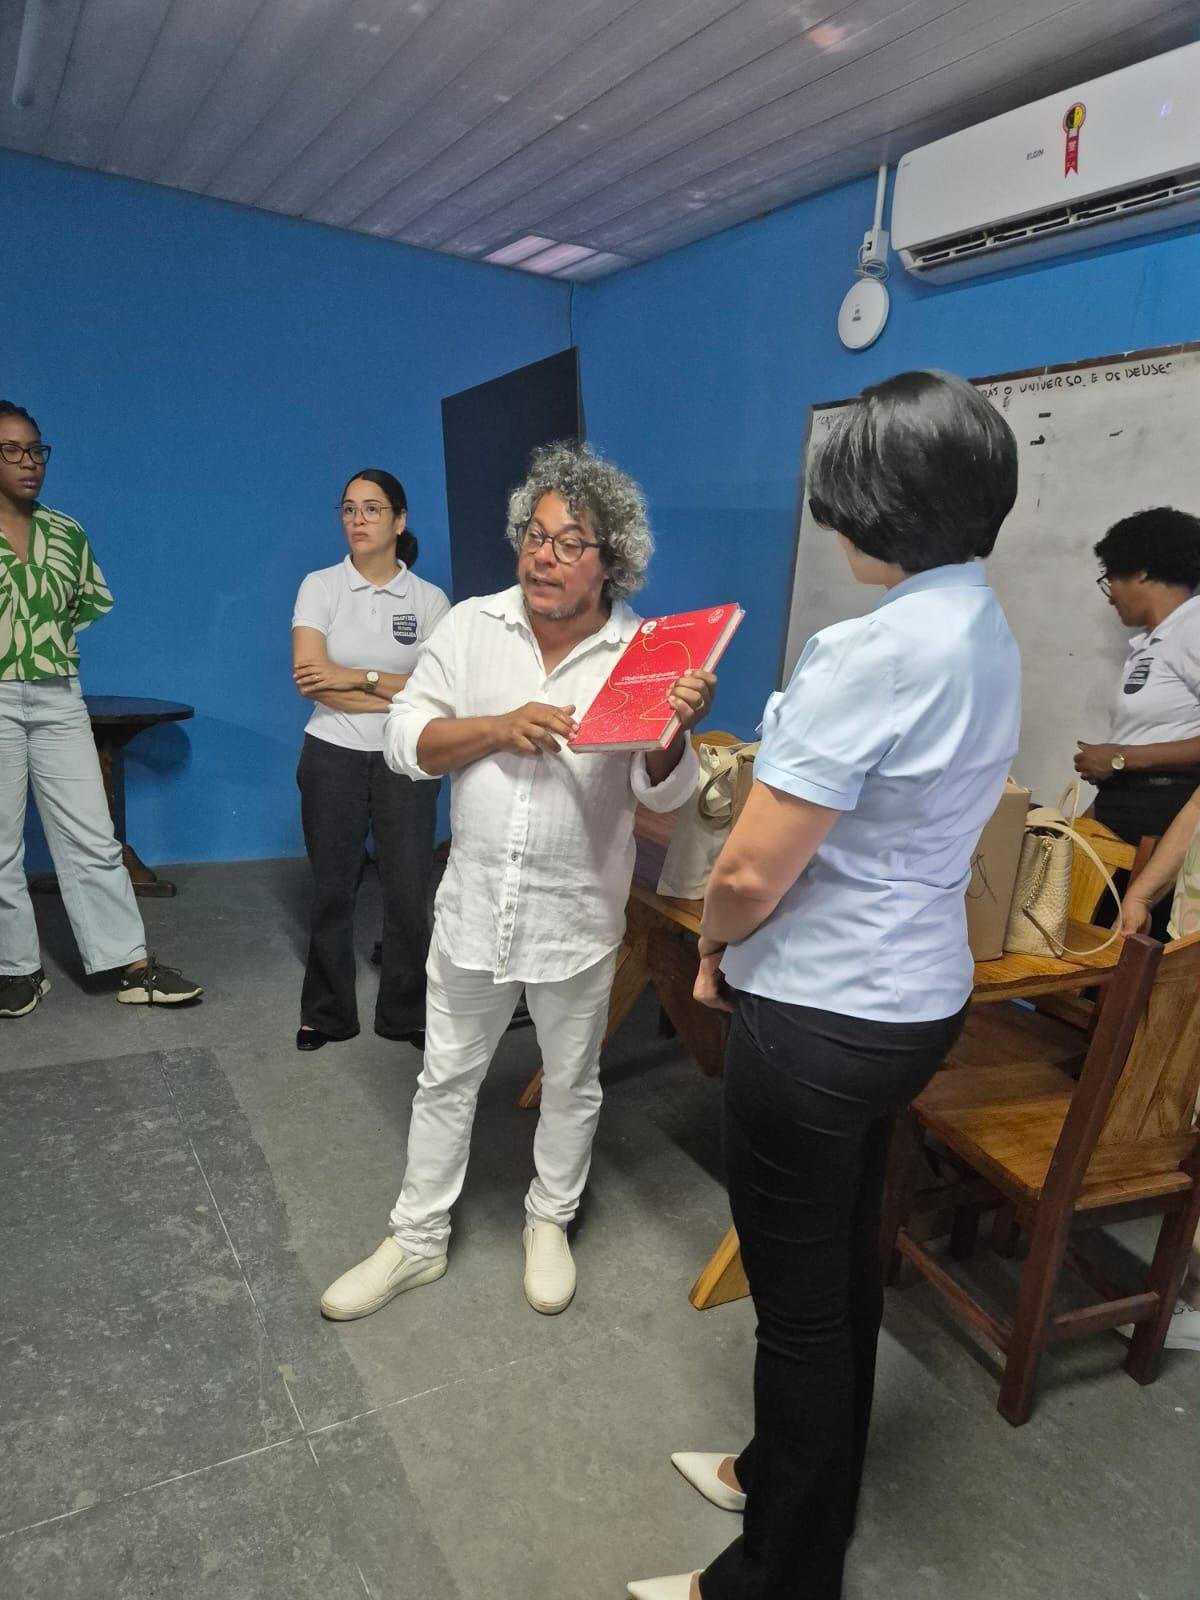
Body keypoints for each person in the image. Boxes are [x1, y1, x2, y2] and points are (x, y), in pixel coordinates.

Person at [629, 372, 1022, 1600]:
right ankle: (784, 1470)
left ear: (880, 504)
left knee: (799, 1309)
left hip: (819, 1015)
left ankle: (774, 1576)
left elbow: (747, 867)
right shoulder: (982, 625)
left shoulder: (869, 648)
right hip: (914, 1005)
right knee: (845, 1265)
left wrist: (713, 946)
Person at [320, 442, 715, 1319]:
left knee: (573, 1078)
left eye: (569, 543)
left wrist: (674, 733)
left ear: (611, 559)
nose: (543, 555)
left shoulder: (641, 653)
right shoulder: (472, 627)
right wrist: (498, 727)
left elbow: (667, 793)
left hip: (576, 914)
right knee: (445, 1076)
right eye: (534, 537)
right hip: (474, 906)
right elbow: (405, 742)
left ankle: (550, 1219)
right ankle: (416, 1239)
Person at [0, 401, 202, 1016]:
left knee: (93, 835)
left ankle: (129, 964)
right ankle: (17, 971)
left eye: (37, 450)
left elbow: (79, 608)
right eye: (12, 451)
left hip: (60, 695)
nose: (29, 462)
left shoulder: (66, 532)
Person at [291, 470, 450, 1051]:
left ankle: (405, 1012)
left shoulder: (431, 601)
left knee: (409, 890)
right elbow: (311, 680)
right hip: (331, 753)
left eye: (373, 509)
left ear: (399, 521)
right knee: (333, 888)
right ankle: (327, 1013)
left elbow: (435, 692)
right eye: (349, 509)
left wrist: (355, 674)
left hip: (406, 756)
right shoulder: (320, 586)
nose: (358, 520)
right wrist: (389, 688)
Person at [1075, 507, 1200, 940]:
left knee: (1120, 949)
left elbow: (1128, 754)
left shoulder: (1194, 626)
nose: (1110, 593)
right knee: (1086, 938)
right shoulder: (1150, 643)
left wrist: (1124, 759)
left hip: (1165, 816)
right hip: (1126, 809)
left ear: (1143, 572)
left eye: (1112, 576)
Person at [1118, 783, 1200, 1353]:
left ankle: (1188, 1297)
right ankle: (1183, 1284)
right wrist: (1143, 892)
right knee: (1182, 1112)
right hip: (1188, 943)